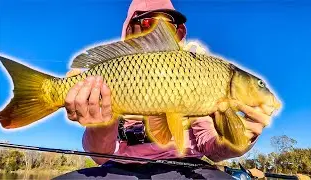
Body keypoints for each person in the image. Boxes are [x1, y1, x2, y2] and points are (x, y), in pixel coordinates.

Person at [65, 0, 271, 166]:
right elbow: (100, 156)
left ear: (179, 33)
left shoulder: (202, 72)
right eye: (148, 23)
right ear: (128, 30)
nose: (158, 31)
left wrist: (239, 139)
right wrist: (100, 124)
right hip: (123, 166)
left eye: (170, 27)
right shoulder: (112, 72)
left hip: (186, 167)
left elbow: (211, 148)